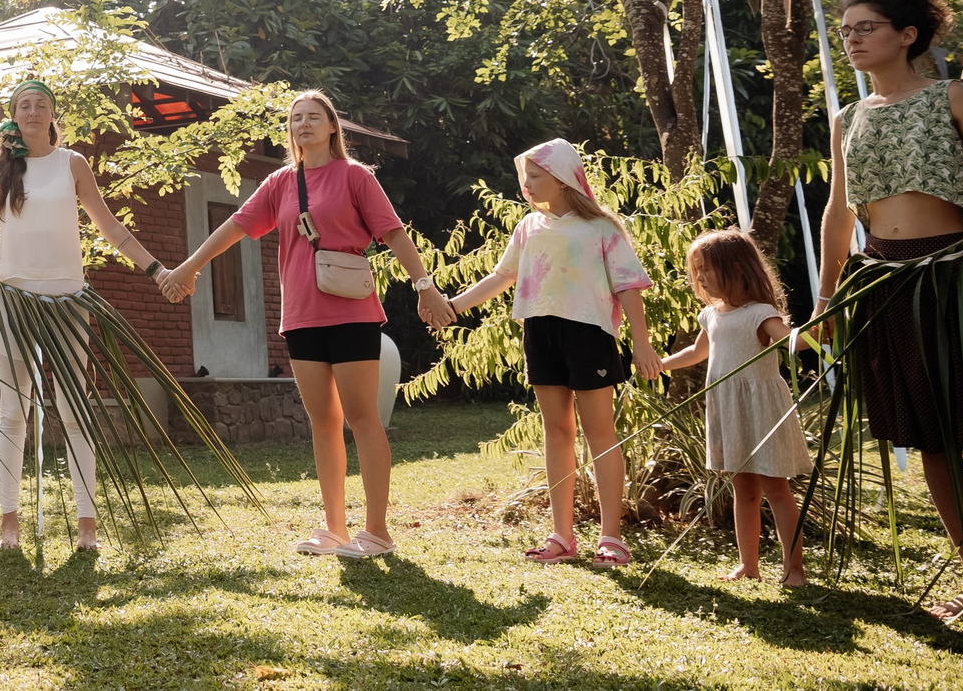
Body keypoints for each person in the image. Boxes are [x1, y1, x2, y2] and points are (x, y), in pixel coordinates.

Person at [157, 89, 452, 558]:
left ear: (333, 127)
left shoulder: (355, 176)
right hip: (300, 318)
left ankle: (376, 532)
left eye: (314, 117)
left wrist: (424, 285)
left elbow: (392, 231)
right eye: (296, 119)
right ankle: (334, 529)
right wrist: (190, 266)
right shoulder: (280, 182)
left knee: (363, 418)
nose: (304, 125)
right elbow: (235, 226)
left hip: (351, 313)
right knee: (323, 421)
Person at [0, 78, 166, 553]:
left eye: (42, 104)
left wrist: (156, 269)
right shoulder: (1, 170)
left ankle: (87, 525)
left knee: (73, 406)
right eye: (25, 105)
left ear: (52, 116)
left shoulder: (73, 164)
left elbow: (108, 226)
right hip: (13, 296)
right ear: (14, 117)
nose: (34, 111)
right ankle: (9, 524)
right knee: (12, 409)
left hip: (68, 297)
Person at [815, 0, 963, 621]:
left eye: (864, 28)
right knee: (930, 441)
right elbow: (839, 215)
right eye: (845, 31)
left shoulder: (950, 97)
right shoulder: (847, 119)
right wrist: (824, 299)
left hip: (959, 282)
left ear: (907, 35)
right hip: (885, 287)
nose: (852, 40)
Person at [447, 139, 658, 567]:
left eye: (535, 176)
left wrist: (641, 342)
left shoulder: (602, 229)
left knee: (600, 433)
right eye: (524, 177)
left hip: (589, 334)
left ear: (563, 179)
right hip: (539, 331)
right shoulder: (528, 227)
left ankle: (611, 538)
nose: (526, 184)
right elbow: (500, 277)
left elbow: (629, 287)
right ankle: (562, 536)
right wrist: (451, 307)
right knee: (556, 431)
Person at [658, 228, 809, 588]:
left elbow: (791, 340)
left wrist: (820, 329)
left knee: (776, 488)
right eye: (697, 270)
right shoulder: (710, 316)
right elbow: (697, 353)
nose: (699, 277)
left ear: (738, 268)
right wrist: (660, 364)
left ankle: (795, 569)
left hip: (760, 409)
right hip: (728, 407)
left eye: (706, 268)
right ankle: (749, 565)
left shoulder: (760, 312)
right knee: (744, 490)